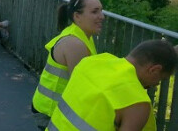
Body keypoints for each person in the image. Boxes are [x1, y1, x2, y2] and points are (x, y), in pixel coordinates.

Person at [47, 40, 178, 131]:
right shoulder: (137, 103)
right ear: (154, 70)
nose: (156, 84)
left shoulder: (93, 62)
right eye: (161, 78)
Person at [31, 0, 104, 130]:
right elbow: (81, 86)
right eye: (95, 12)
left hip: (53, 106)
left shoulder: (82, 34)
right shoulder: (74, 43)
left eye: (101, 10)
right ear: (77, 16)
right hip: (50, 111)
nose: (102, 16)